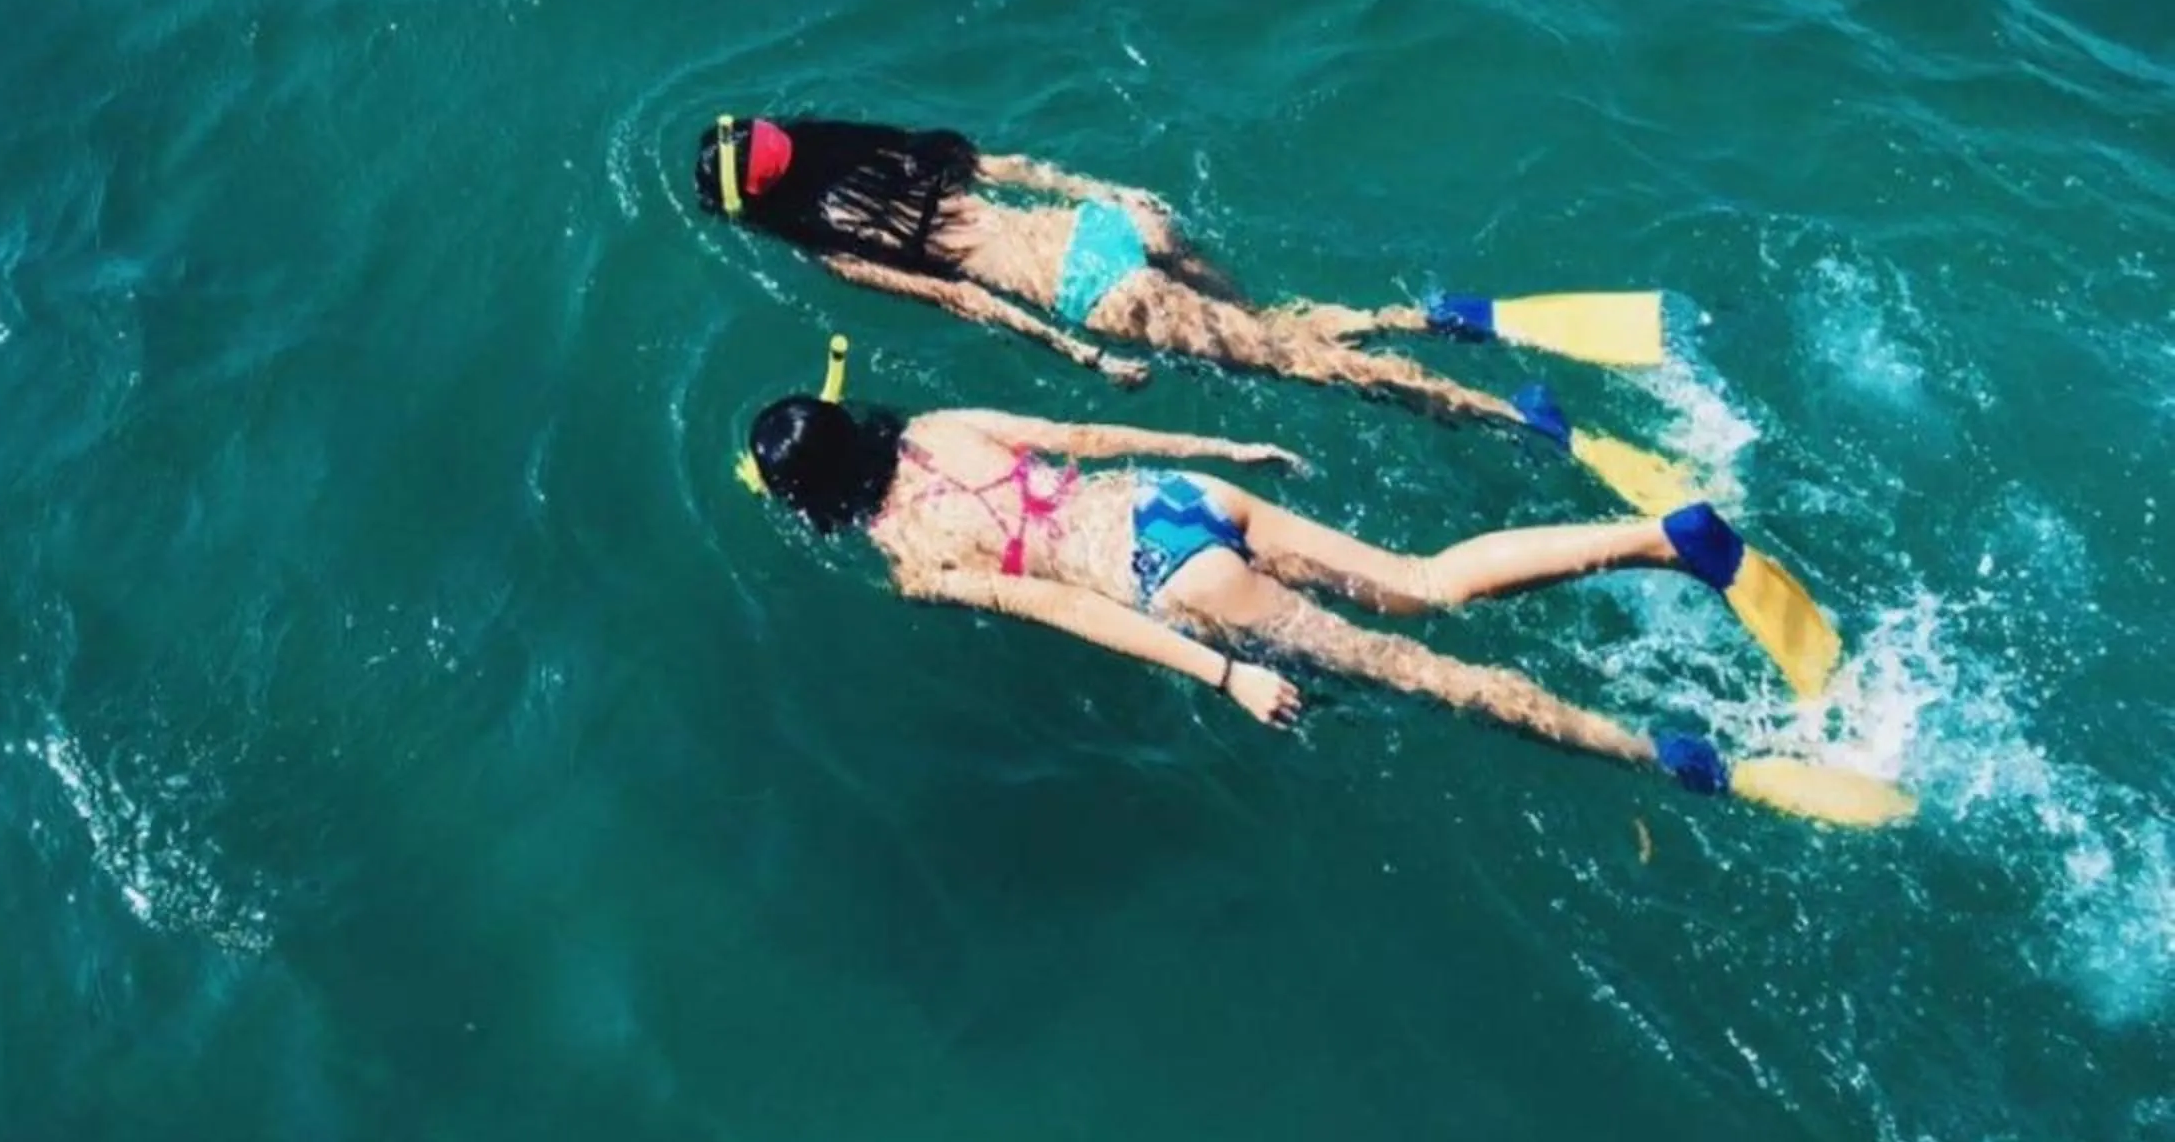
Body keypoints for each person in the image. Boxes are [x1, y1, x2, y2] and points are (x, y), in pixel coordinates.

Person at [741, 387, 1763, 799]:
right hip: (1176, 498)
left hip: (1168, 582)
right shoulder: (935, 424)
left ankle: (1653, 753)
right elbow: (1087, 438)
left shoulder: (915, 560)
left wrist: (1223, 673)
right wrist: (1220, 445)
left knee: (1429, 675)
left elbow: (1070, 610)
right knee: (1421, 580)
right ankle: (1660, 539)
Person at [694, 113, 1557, 435]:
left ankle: (1502, 413)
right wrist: (1110, 196)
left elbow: (963, 296)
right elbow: (1007, 166)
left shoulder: (835, 245)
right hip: (1106, 228)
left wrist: (1083, 359)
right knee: (1270, 324)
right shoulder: (872, 147)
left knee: (1301, 367)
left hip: (1096, 296)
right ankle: (1416, 319)